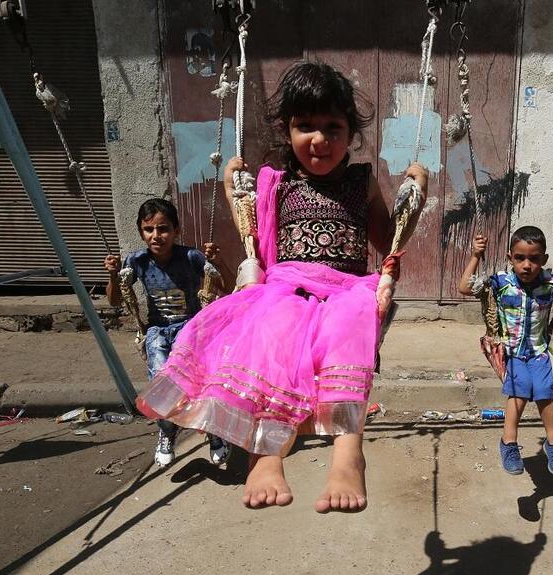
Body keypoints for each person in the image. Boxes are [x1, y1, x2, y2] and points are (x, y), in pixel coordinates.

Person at [137, 61, 428, 513]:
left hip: (347, 288)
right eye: (305, 126)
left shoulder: (362, 181)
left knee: (350, 331)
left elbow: (385, 238)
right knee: (272, 338)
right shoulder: (277, 183)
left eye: (333, 127)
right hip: (286, 286)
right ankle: (265, 454)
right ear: (286, 130)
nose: (320, 139)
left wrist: (415, 195)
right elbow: (257, 238)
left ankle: (348, 454)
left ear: (351, 133)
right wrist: (235, 187)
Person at [457, 227, 553, 477]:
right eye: (520, 258)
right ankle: (508, 443)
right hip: (511, 352)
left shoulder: (551, 283)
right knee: (519, 392)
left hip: (540, 352)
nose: (527, 265)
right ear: (510, 258)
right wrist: (476, 255)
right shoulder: (501, 283)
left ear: (544, 259)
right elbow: (465, 287)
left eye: (534, 259)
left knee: (544, 392)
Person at [104, 199, 229, 468]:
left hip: (191, 327)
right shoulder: (136, 261)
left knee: (200, 381)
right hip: (157, 331)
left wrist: (217, 262)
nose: (156, 236)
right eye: (149, 229)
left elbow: (226, 287)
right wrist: (113, 275)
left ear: (176, 231)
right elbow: (114, 301)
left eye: (163, 229)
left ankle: (213, 431)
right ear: (141, 232)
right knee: (161, 386)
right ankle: (167, 431)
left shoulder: (191, 257)